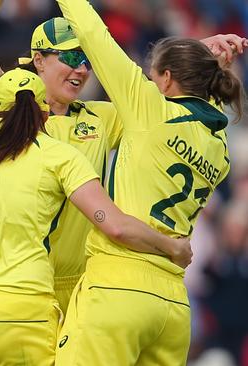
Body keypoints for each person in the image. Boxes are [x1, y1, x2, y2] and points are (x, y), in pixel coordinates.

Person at [0, 0, 247, 315]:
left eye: (85, 59)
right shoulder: (9, 105)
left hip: (80, 283)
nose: (81, 68)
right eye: (69, 56)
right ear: (38, 60)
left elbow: (159, 90)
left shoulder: (100, 118)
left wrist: (196, 54)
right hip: (17, 282)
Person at [0, 67, 192, 366]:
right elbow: (114, 226)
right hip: (19, 312)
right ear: (46, 115)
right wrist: (171, 247)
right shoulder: (57, 155)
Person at [52, 0, 246, 365]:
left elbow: (93, 33)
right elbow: (204, 102)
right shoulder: (219, 144)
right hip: (173, 305)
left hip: (118, 285)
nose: (148, 83)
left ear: (167, 79)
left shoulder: (150, 109)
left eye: (153, 77)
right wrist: (203, 57)